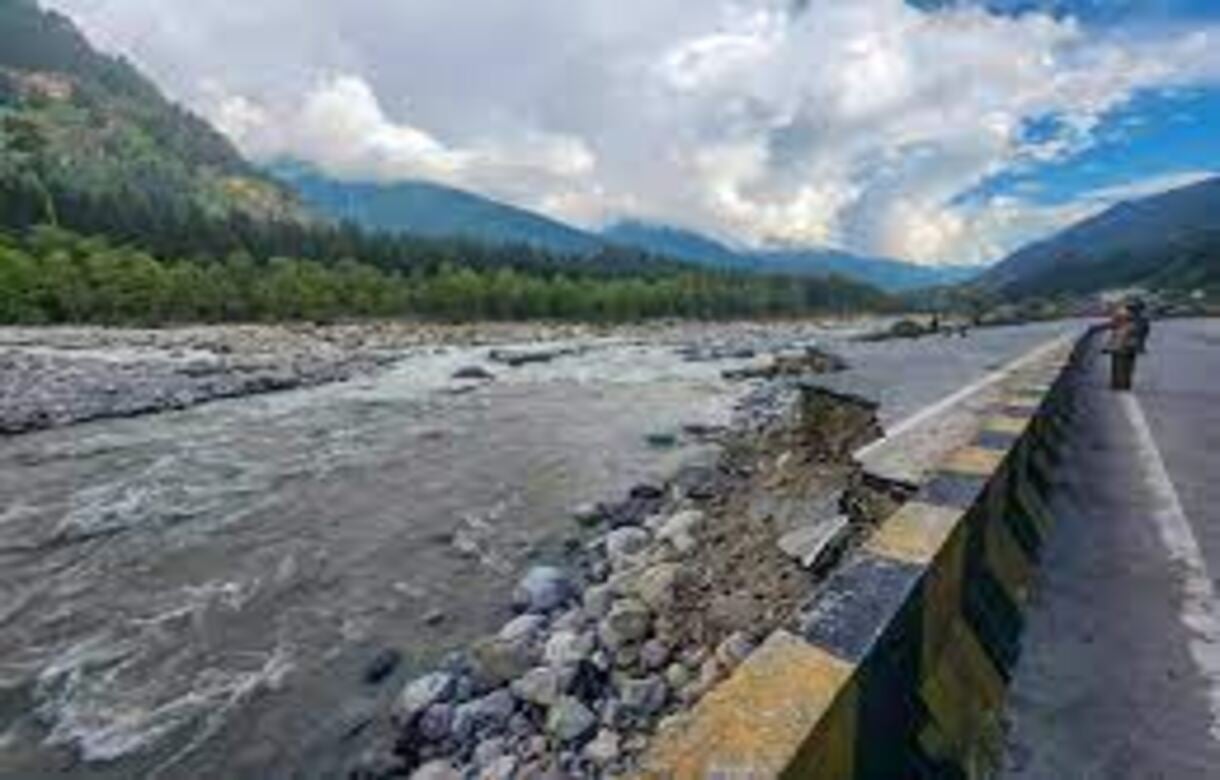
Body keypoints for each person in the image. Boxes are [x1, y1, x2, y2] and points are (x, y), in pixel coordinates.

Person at [1105, 304, 1139, 391]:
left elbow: (1117, 340)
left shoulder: (1126, 328)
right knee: (1126, 369)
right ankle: (1123, 385)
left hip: (1122, 350)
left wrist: (1109, 348)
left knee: (1120, 369)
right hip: (1126, 350)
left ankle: (1119, 386)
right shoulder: (1131, 326)